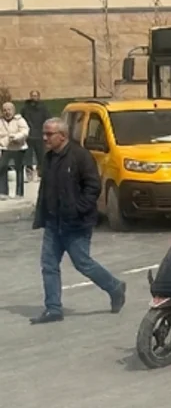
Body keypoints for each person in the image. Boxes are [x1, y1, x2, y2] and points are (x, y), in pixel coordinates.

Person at [30, 118, 126, 324]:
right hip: (53, 223)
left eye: (49, 134)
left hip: (76, 224)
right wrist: (42, 212)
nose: (45, 138)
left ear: (62, 136)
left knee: (83, 263)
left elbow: (93, 186)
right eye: (44, 134)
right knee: (48, 265)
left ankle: (115, 287)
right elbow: (47, 188)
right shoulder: (49, 158)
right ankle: (53, 309)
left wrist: (78, 209)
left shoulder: (81, 156)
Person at [0, 102, 30, 199]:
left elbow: (25, 131)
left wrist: (16, 137)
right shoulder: (1, 121)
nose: (7, 112)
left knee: (19, 170)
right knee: (2, 168)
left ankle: (19, 193)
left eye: (9, 110)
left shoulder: (19, 120)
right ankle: (3, 192)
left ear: (13, 110)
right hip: (6, 148)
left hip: (19, 148)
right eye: (4, 110)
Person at [21, 91, 50, 182]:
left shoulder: (43, 108)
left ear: (38, 96)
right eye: (32, 96)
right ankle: (29, 173)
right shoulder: (25, 108)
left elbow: (47, 119)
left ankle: (40, 173)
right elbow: (22, 120)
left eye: (35, 95)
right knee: (28, 156)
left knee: (41, 156)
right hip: (29, 136)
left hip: (40, 135)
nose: (34, 97)